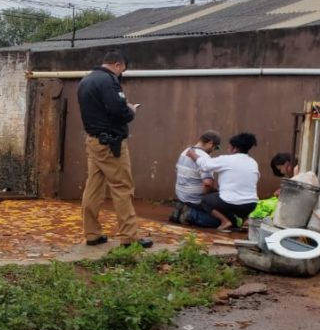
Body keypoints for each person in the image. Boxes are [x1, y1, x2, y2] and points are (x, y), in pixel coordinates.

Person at [78, 50, 152, 248]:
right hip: (111, 144)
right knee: (122, 188)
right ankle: (130, 236)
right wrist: (130, 110)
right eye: (122, 70)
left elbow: (102, 109)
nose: (121, 75)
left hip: (93, 141)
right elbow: (119, 112)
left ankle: (92, 233)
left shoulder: (86, 81)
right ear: (118, 65)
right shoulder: (109, 81)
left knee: (93, 188)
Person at [184, 133, 260, 232]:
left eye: (229, 147)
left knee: (206, 200)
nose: (228, 150)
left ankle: (225, 221)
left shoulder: (227, 160)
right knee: (233, 199)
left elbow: (205, 165)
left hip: (231, 202)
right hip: (251, 205)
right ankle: (245, 221)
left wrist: (192, 154)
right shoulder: (253, 162)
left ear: (235, 149)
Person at [169, 130, 221, 224]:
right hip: (195, 200)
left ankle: (182, 208)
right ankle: (190, 214)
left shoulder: (185, 151)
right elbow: (208, 184)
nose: (214, 150)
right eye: (216, 147)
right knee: (220, 220)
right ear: (210, 143)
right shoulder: (204, 158)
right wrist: (208, 198)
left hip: (181, 196)